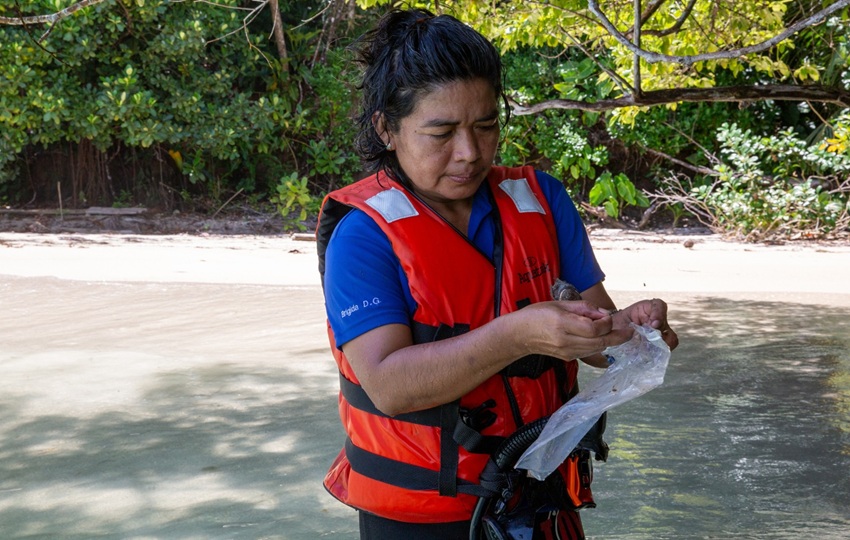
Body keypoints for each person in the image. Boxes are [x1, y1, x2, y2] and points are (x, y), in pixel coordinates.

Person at [315, 8, 679, 539]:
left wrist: (632, 328)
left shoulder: (543, 201)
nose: (469, 153)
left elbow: (599, 340)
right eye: (441, 133)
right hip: (424, 519)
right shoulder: (364, 235)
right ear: (386, 129)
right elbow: (389, 386)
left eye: (486, 126)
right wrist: (516, 333)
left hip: (541, 499)